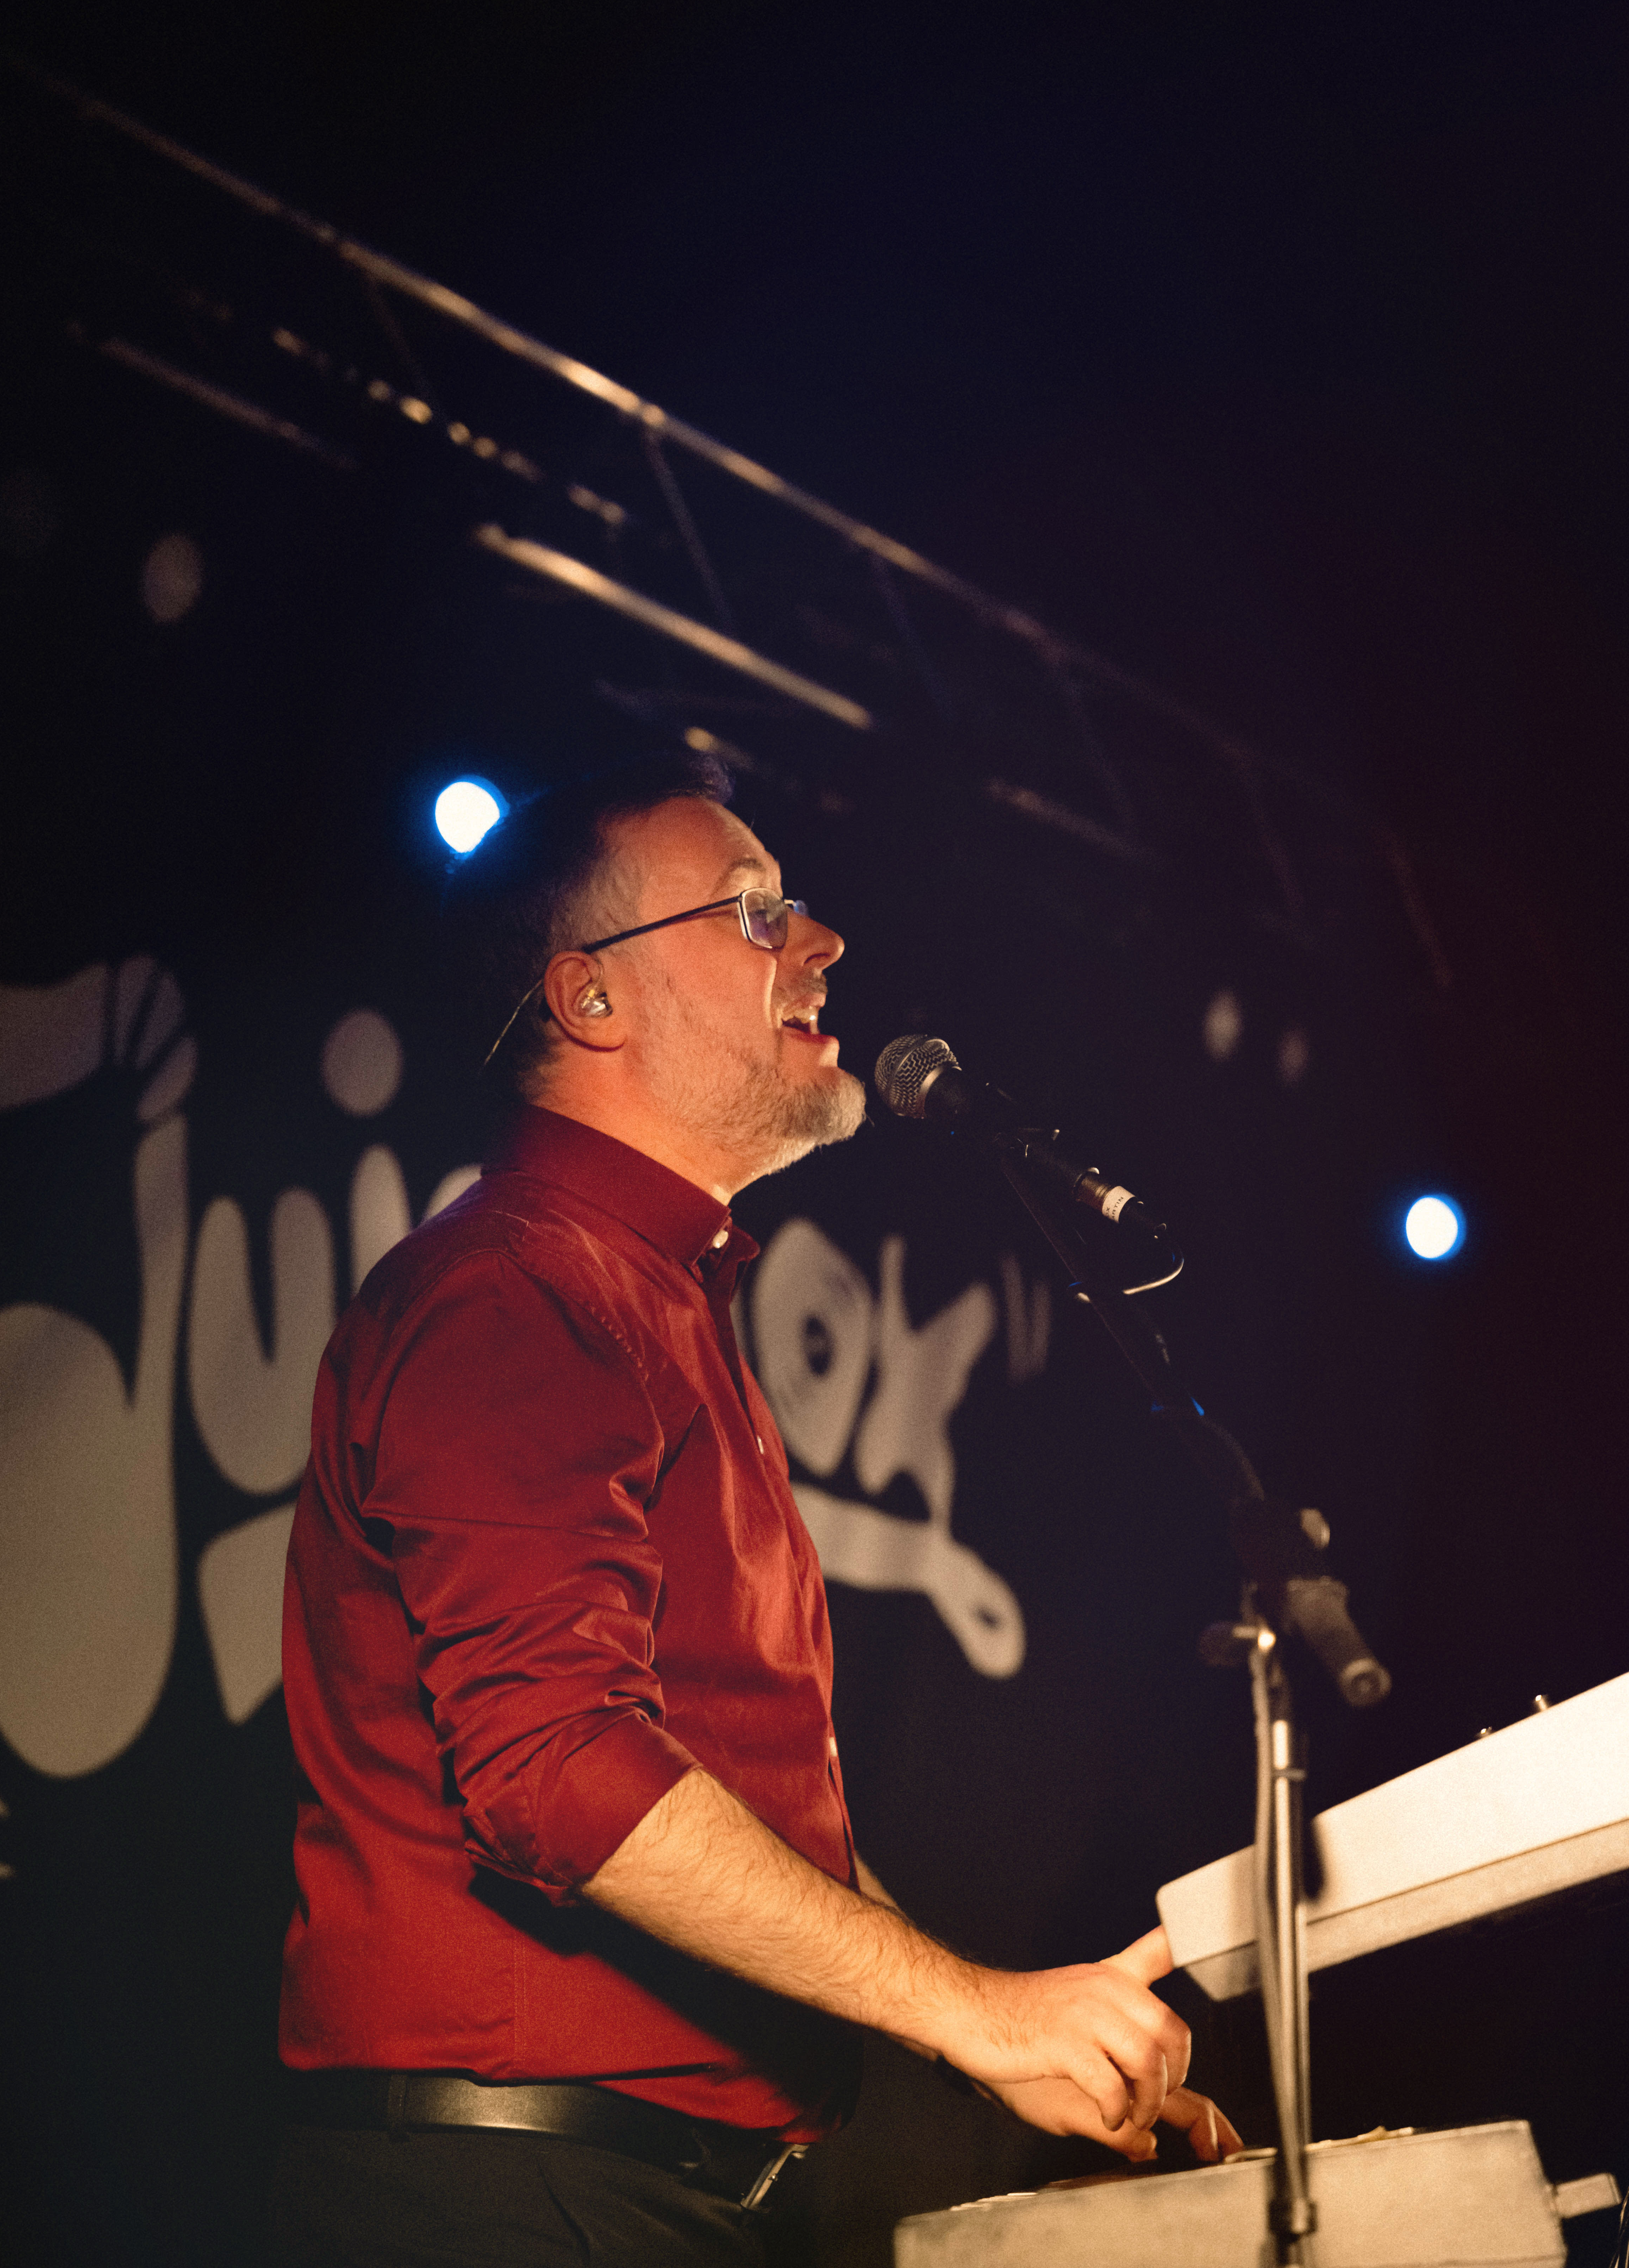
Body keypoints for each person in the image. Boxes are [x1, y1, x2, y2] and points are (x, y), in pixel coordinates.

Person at [271, 749, 1237, 2267]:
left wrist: (986, 2035)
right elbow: (554, 1767)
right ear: (592, 996)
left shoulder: (651, 1297)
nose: (822, 943)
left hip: (633, 2196)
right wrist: (974, 2010)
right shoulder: (517, 1291)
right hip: (513, 2201)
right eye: (752, 910)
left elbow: (727, 1809)